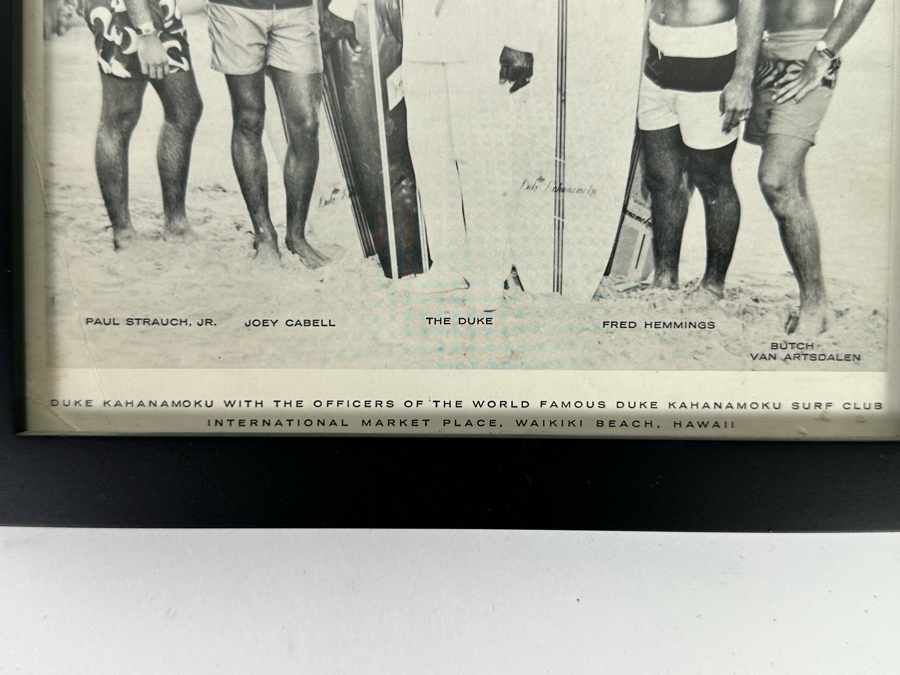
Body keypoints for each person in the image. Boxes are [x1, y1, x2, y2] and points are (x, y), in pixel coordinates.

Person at [323, 0, 538, 309]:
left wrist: (520, 40)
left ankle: (488, 274)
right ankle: (450, 265)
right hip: (422, 42)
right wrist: (343, 8)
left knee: (482, 161)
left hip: (481, 41)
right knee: (431, 159)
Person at [744, 0, 876, 335]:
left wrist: (824, 52)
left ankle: (815, 306)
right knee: (790, 181)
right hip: (763, 54)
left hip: (809, 52)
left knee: (775, 180)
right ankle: (815, 301)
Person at [639, 0, 763, 299]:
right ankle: (665, 278)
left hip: (709, 58)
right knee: (660, 178)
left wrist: (743, 78)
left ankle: (713, 284)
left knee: (712, 179)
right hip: (655, 58)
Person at [207, 0, 329, 267]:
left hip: (296, 9)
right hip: (236, 9)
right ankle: (264, 234)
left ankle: (296, 237)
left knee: (307, 124)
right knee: (249, 118)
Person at [84, 0, 203, 250]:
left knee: (185, 109)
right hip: (126, 12)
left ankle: (176, 224)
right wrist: (146, 33)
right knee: (120, 117)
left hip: (156, 8)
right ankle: (124, 232)